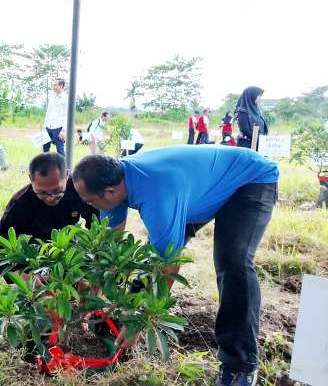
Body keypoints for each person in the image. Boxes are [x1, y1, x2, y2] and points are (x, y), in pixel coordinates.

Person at [72, 147, 278, 386]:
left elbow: (168, 266)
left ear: (110, 191)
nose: (87, 205)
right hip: (197, 189)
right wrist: (92, 294)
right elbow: (110, 250)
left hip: (249, 179)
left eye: (89, 200)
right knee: (152, 256)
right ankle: (121, 324)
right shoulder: (114, 180)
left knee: (233, 263)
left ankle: (240, 365)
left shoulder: (156, 196)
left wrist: (141, 320)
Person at [0, 153, 98, 280]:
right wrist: (20, 275)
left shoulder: (79, 190)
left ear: (67, 176)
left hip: (67, 256)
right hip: (32, 260)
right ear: (31, 179)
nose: (50, 198)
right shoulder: (21, 203)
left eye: (57, 191)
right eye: (42, 193)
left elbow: (98, 228)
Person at [42, 78, 68, 157]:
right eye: (53, 85)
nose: (53, 87)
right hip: (48, 127)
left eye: (55, 85)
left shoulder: (66, 98)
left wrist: (63, 130)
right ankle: (46, 166)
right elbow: (48, 112)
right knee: (45, 148)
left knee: (60, 150)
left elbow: (67, 115)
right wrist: (44, 126)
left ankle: (64, 168)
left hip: (58, 128)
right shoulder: (52, 96)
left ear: (61, 86)